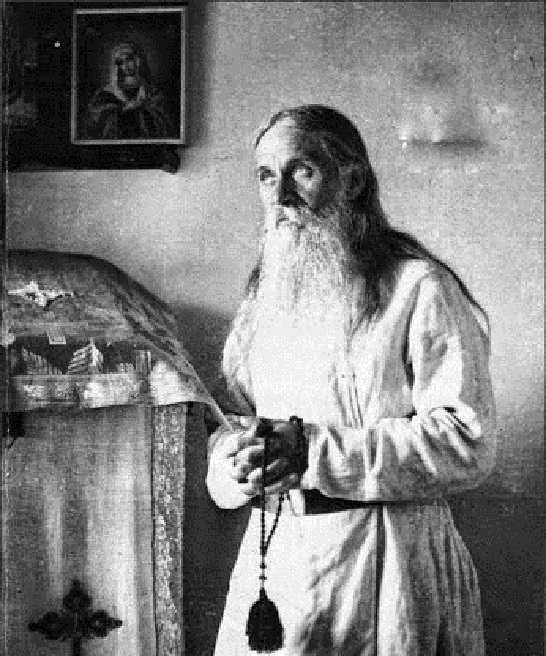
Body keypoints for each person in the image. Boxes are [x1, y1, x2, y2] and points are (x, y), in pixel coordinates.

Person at [206, 104, 496, 655]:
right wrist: (235, 466)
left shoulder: (418, 287)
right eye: (266, 176)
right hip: (279, 565)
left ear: (353, 180)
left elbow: (468, 442)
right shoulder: (265, 293)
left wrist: (312, 452)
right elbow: (230, 421)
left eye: (302, 171)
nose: (280, 194)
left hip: (387, 568)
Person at [83, 41, 173, 140]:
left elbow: (164, 125)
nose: (125, 67)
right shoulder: (103, 95)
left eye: (129, 60)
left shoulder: (153, 93)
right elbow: (95, 126)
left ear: (139, 62)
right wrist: (124, 110)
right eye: (119, 62)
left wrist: (140, 110)